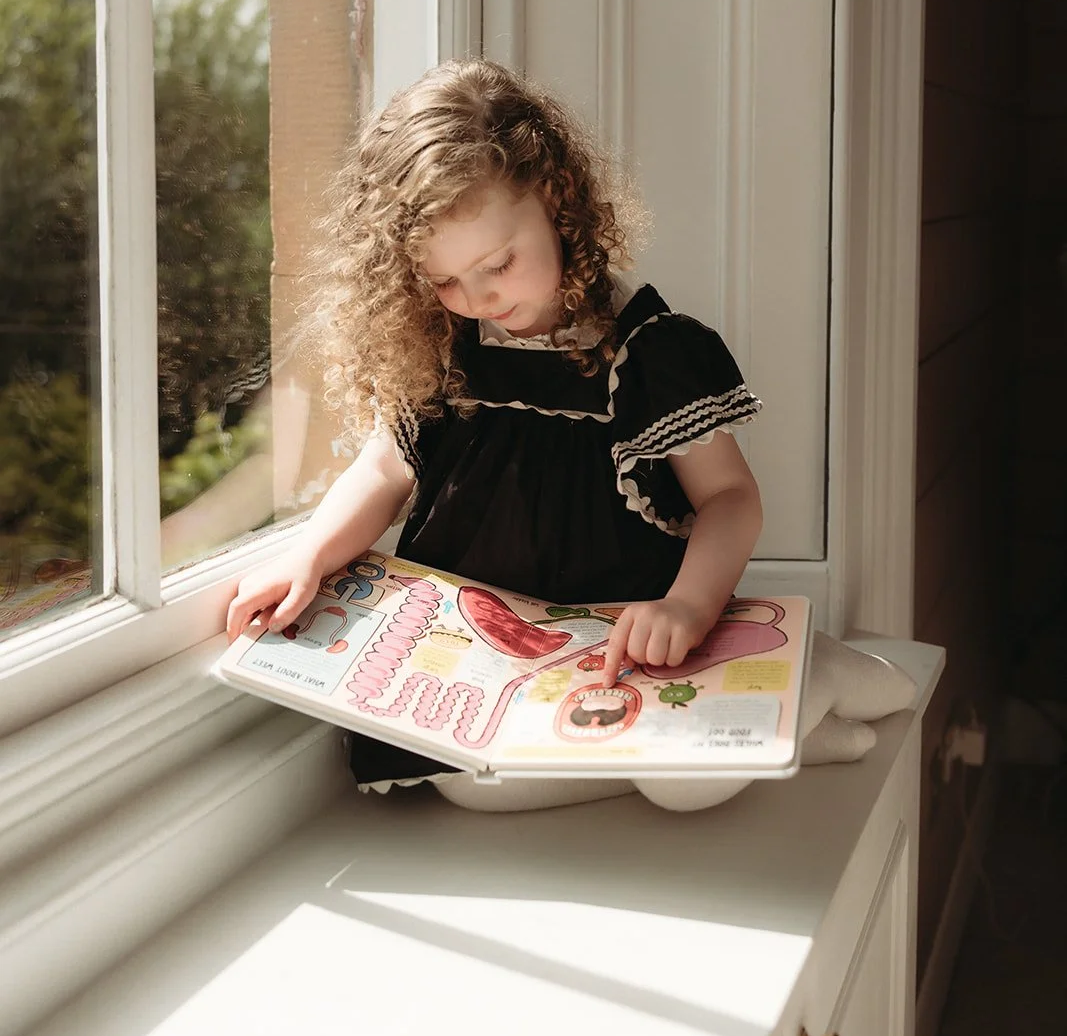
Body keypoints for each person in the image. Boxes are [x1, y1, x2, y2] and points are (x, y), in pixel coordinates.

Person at [226, 60, 764, 810]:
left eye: (497, 265)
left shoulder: (650, 352)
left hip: (625, 636)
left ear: (556, 197)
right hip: (491, 652)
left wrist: (688, 608)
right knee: (472, 793)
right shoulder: (447, 347)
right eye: (443, 281)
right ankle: (770, 726)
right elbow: (385, 471)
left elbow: (731, 497)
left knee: (686, 790)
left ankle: (816, 691)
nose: (476, 299)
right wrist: (308, 557)